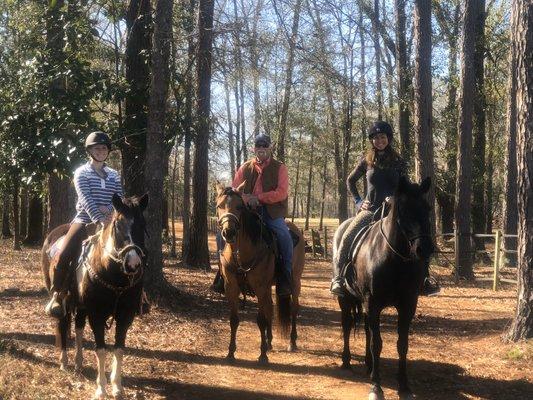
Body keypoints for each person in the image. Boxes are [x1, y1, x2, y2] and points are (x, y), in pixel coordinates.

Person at [330, 121, 440, 297]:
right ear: (372, 141)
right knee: (347, 235)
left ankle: (425, 279)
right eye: (375, 138)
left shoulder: (399, 162)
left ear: (388, 139)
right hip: (370, 210)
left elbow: (404, 185)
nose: (379, 141)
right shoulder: (366, 162)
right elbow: (350, 181)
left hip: (393, 211)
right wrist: (359, 201)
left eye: (382, 137)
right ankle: (338, 278)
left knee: (419, 236)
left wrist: (396, 198)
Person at [45, 131, 123, 318]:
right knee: (64, 252)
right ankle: (57, 294)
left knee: (132, 248)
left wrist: (112, 216)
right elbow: (86, 199)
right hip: (85, 220)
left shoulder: (114, 175)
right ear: (90, 150)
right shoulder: (81, 172)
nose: (101, 151)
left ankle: (138, 295)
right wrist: (99, 219)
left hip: (111, 221)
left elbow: (119, 199)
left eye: (104, 148)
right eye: (97, 148)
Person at [212, 133, 293, 297]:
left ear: (270, 147)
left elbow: (282, 193)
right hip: (247, 211)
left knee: (284, 235)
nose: (262, 149)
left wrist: (259, 198)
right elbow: (235, 191)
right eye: (259, 146)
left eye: (265, 146)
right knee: (221, 236)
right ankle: (222, 274)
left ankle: (285, 275)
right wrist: (246, 199)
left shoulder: (280, 167)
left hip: (271, 211)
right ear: (254, 148)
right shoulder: (244, 168)